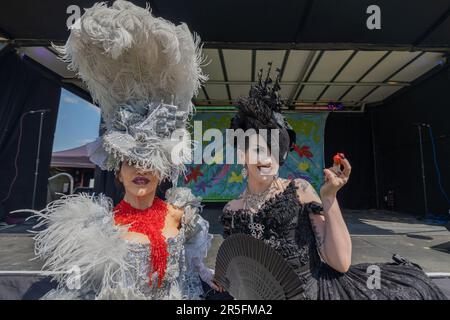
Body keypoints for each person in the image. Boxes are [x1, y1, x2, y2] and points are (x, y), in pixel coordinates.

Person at [27, 0, 217, 299]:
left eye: (149, 161)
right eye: (130, 160)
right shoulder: (99, 227)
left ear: (162, 169)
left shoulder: (184, 218)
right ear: (118, 169)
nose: (140, 169)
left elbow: (194, 273)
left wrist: (207, 275)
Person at [218, 65, 446, 300]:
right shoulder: (231, 211)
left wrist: (329, 197)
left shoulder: (298, 190)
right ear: (242, 155)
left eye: (273, 151)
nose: (266, 159)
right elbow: (235, 277)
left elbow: (340, 262)